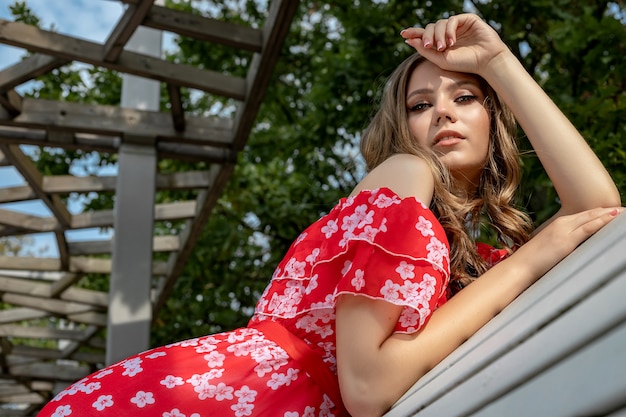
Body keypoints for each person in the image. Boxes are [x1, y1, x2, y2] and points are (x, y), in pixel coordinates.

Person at [38, 13, 621, 417]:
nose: (442, 112)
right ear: (405, 128)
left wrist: (496, 60)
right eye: (421, 105)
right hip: (213, 400)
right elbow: (367, 388)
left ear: (495, 121)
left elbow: (597, 209)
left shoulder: (470, 268)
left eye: (464, 97)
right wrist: (533, 259)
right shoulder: (405, 177)